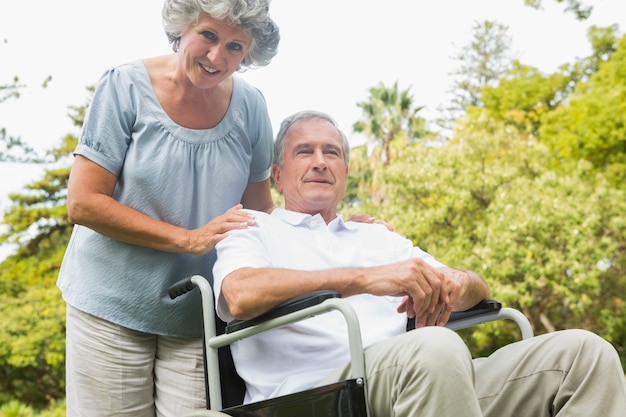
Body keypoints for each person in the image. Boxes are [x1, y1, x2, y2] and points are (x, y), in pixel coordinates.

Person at [212, 110, 626, 416]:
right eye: (305, 151)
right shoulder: (253, 227)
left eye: (332, 153)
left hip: (427, 377)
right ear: (278, 176)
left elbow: (477, 288)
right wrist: (366, 279)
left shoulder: (378, 236)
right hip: (315, 394)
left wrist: (455, 285)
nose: (320, 161)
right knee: (435, 347)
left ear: (346, 173)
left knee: (584, 354)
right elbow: (240, 294)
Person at [56, 1, 280, 416]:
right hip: (112, 304)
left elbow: (260, 209)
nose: (217, 57)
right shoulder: (124, 86)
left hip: (197, 316)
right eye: (208, 36)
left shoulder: (251, 108)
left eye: (235, 47)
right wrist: (189, 239)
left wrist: (326, 226)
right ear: (182, 28)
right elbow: (83, 202)